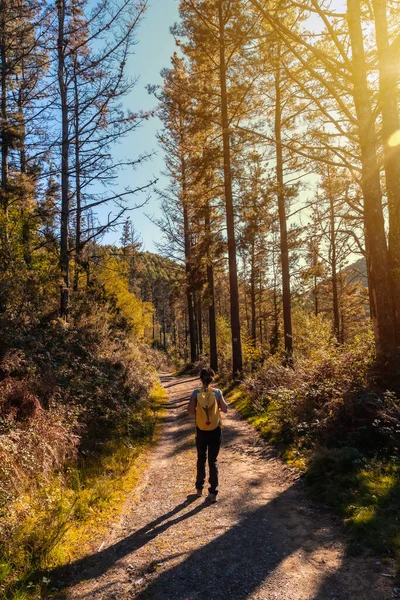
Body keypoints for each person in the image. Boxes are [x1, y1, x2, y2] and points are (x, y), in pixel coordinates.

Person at [187, 368, 228, 503]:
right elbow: (225, 409)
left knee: (201, 458)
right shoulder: (217, 392)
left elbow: (190, 412)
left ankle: (199, 488)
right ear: (212, 379)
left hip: (201, 430)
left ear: (200, 379)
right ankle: (213, 492)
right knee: (213, 461)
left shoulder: (195, 393)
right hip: (215, 430)